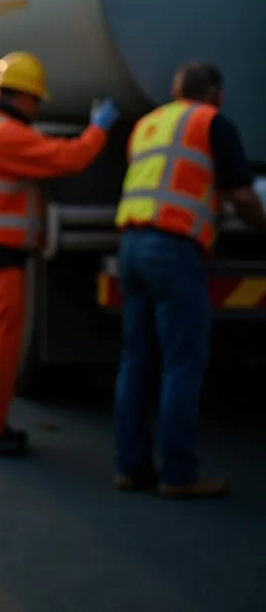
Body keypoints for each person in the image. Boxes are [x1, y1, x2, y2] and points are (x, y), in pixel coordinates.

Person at [113, 61, 266, 498]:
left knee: (137, 360)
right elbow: (242, 196)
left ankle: (131, 467)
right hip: (172, 252)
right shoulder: (212, 123)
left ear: (175, 91)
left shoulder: (148, 125)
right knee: (182, 364)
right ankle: (179, 475)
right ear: (217, 94)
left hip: (132, 247)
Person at [0, 52, 119, 456]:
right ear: (22, 96)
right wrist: (98, 130)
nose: (38, 108)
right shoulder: (7, 135)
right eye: (36, 100)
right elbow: (69, 158)